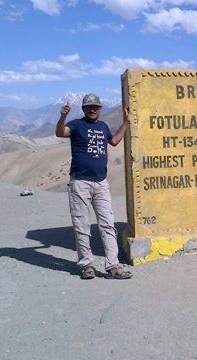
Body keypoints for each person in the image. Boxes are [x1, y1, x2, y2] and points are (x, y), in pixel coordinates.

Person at [56, 93, 132, 280]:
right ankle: (86, 265)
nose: (92, 109)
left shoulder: (103, 126)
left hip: (101, 183)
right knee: (81, 225)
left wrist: (126, 123)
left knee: (107, 224)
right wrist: (63, 116)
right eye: (89, 107)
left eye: (96, 107)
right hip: (80, 182)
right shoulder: (76, 125)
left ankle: (113, 265)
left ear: (100, 109)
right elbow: (60, 133)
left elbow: (113, 141)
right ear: (83, 109)